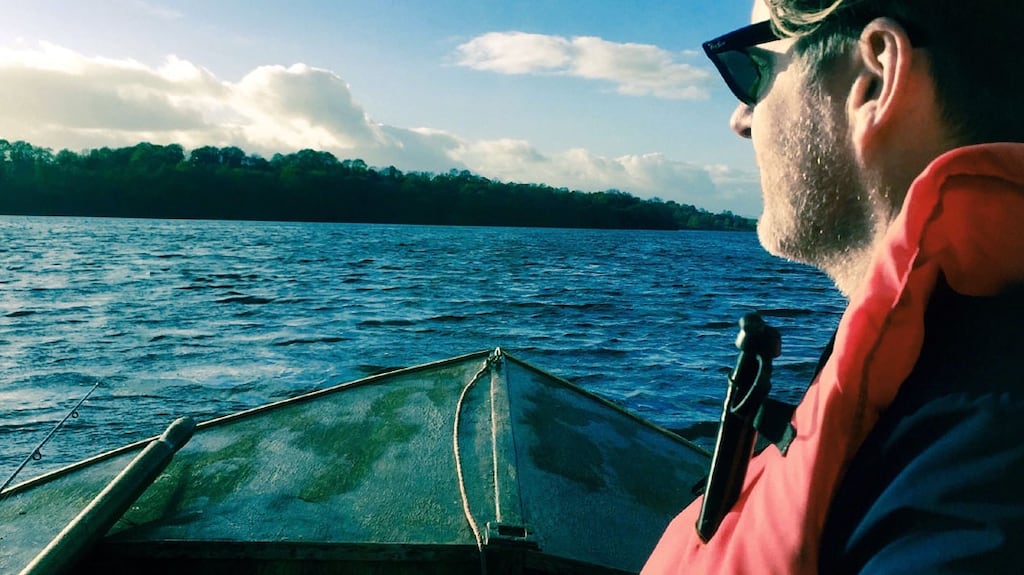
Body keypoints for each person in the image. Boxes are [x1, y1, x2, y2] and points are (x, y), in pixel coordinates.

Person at [643, 0, 1024, 573]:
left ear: (873, 79)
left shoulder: (978, 478)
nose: (741, 119)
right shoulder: (943, 360)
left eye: (754, 70)